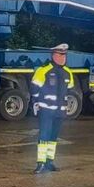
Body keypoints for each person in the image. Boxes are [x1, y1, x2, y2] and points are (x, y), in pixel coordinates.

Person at [30, 43, 75, 174]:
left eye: (64, 55)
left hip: (60, 111)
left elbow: (70, 90)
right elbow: (34, 89)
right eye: (60, 55)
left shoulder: (68, 72)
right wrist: (38, 102)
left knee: (53, 138)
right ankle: (40, 164)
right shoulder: (43, 70)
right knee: (44, 137)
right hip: (46, 110)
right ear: (54, 55)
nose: (63, 58)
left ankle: (49, 162)